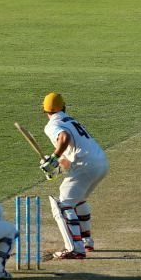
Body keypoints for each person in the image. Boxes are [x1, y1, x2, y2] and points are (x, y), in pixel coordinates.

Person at [40, 92, 109, 259]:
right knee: (78, 200)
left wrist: (54, 158)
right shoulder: (71, 120)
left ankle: (75, 248)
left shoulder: (52, 126)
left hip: (85, 165)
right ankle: (86, 242)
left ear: (45, 111)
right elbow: (68, 154)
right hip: (101, 162)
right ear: (64, 106)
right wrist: (55, 169)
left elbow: (64, 137)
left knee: (63, 205)